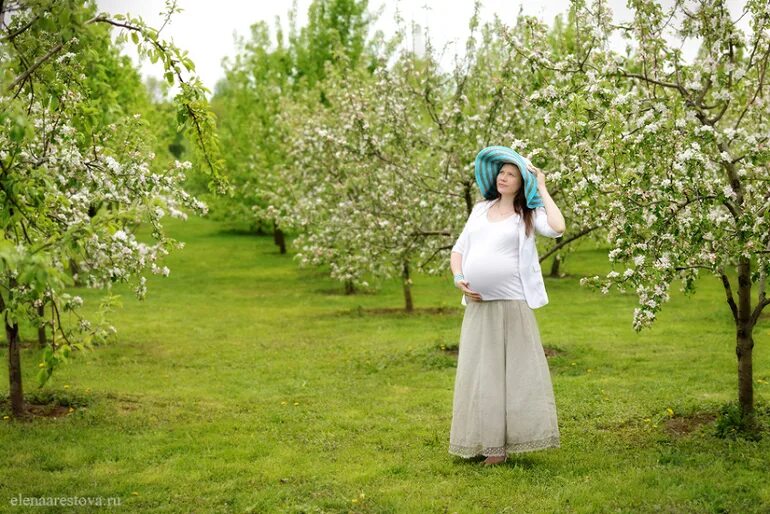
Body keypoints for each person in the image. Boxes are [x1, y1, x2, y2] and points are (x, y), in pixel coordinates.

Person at [448, 146, 566, 466]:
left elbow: (558, 228)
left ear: (521, 182)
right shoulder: (479, 209)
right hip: (479, 307)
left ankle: (503, 448)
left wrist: (541, 186)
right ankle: (486, 444)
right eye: (501, 172)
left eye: (511, 174)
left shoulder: (527, 214)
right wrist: (459, 277)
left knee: (512, 376)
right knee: (481, 376)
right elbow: (459, 250)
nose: (503, 177)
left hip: (512, 305)